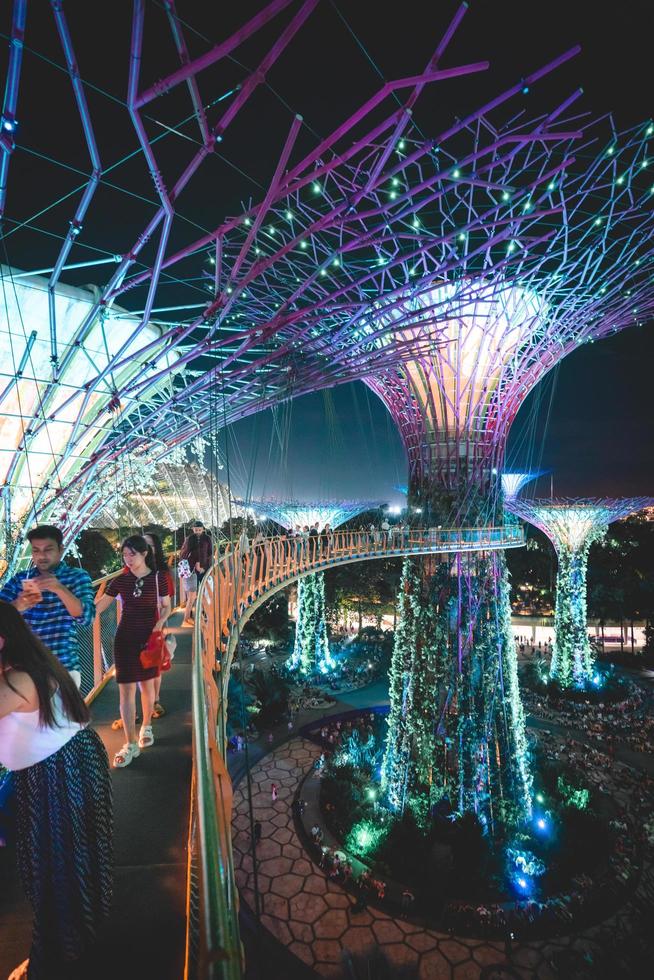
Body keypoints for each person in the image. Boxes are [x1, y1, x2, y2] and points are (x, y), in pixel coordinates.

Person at [0, 601, 112, 979]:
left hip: (59, 774)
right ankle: (76, 938)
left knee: (50, 866)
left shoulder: (18, 679)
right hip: (67, 767)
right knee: (66, 860)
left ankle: (54, 957)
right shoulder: (32, 664)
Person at [95, 535, 171, 768]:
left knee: (147, 688)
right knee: (125, 692)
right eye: (125, 555)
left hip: (147, 639)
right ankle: (130, 743)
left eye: (132, 554)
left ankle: (146, 725)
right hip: (125, 639)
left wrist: (160, 624)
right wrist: (76, 608)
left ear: (145, 553)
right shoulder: (119, 581)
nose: (128, 559)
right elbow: (98, 608)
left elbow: (166, 605)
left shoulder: (159, 578)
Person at [0, 524, 95, 688]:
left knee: (59, 714)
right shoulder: (20, 579)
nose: (41, 555)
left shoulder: (76, 576)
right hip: (23, 668)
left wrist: (59, 588)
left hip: (62, 667)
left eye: (48, 549)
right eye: (36, 550)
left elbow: (86, 617)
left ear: (60, 549)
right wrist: (17, 606)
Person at [180, 521, 212, 627]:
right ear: (193, 529)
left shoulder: (207, 538)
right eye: (196, 529)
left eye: (199, 529)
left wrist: (206, 566)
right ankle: (191, 616)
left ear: (203, 529)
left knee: (204, 592)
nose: (198, 531)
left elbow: (209, 553)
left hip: (204, 569)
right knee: (193, 595)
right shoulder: (190, 539)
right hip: (192, 570)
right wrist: (197, 564)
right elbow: (185, 553)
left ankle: (200, 614)